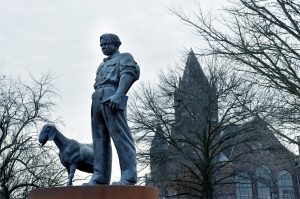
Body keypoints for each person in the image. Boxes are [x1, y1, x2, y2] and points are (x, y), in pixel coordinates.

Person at [85, 33, 140, 185]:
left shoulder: (124, 57)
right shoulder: (101, 64)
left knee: (120, 136)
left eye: (106, 44)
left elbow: (129, 74)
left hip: (112, 95)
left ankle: (128, 177)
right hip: (97, 97)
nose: (103, 47)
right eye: (101, 45)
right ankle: (100, 176)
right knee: (98, 138)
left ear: (116, 44)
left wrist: (118, 94)